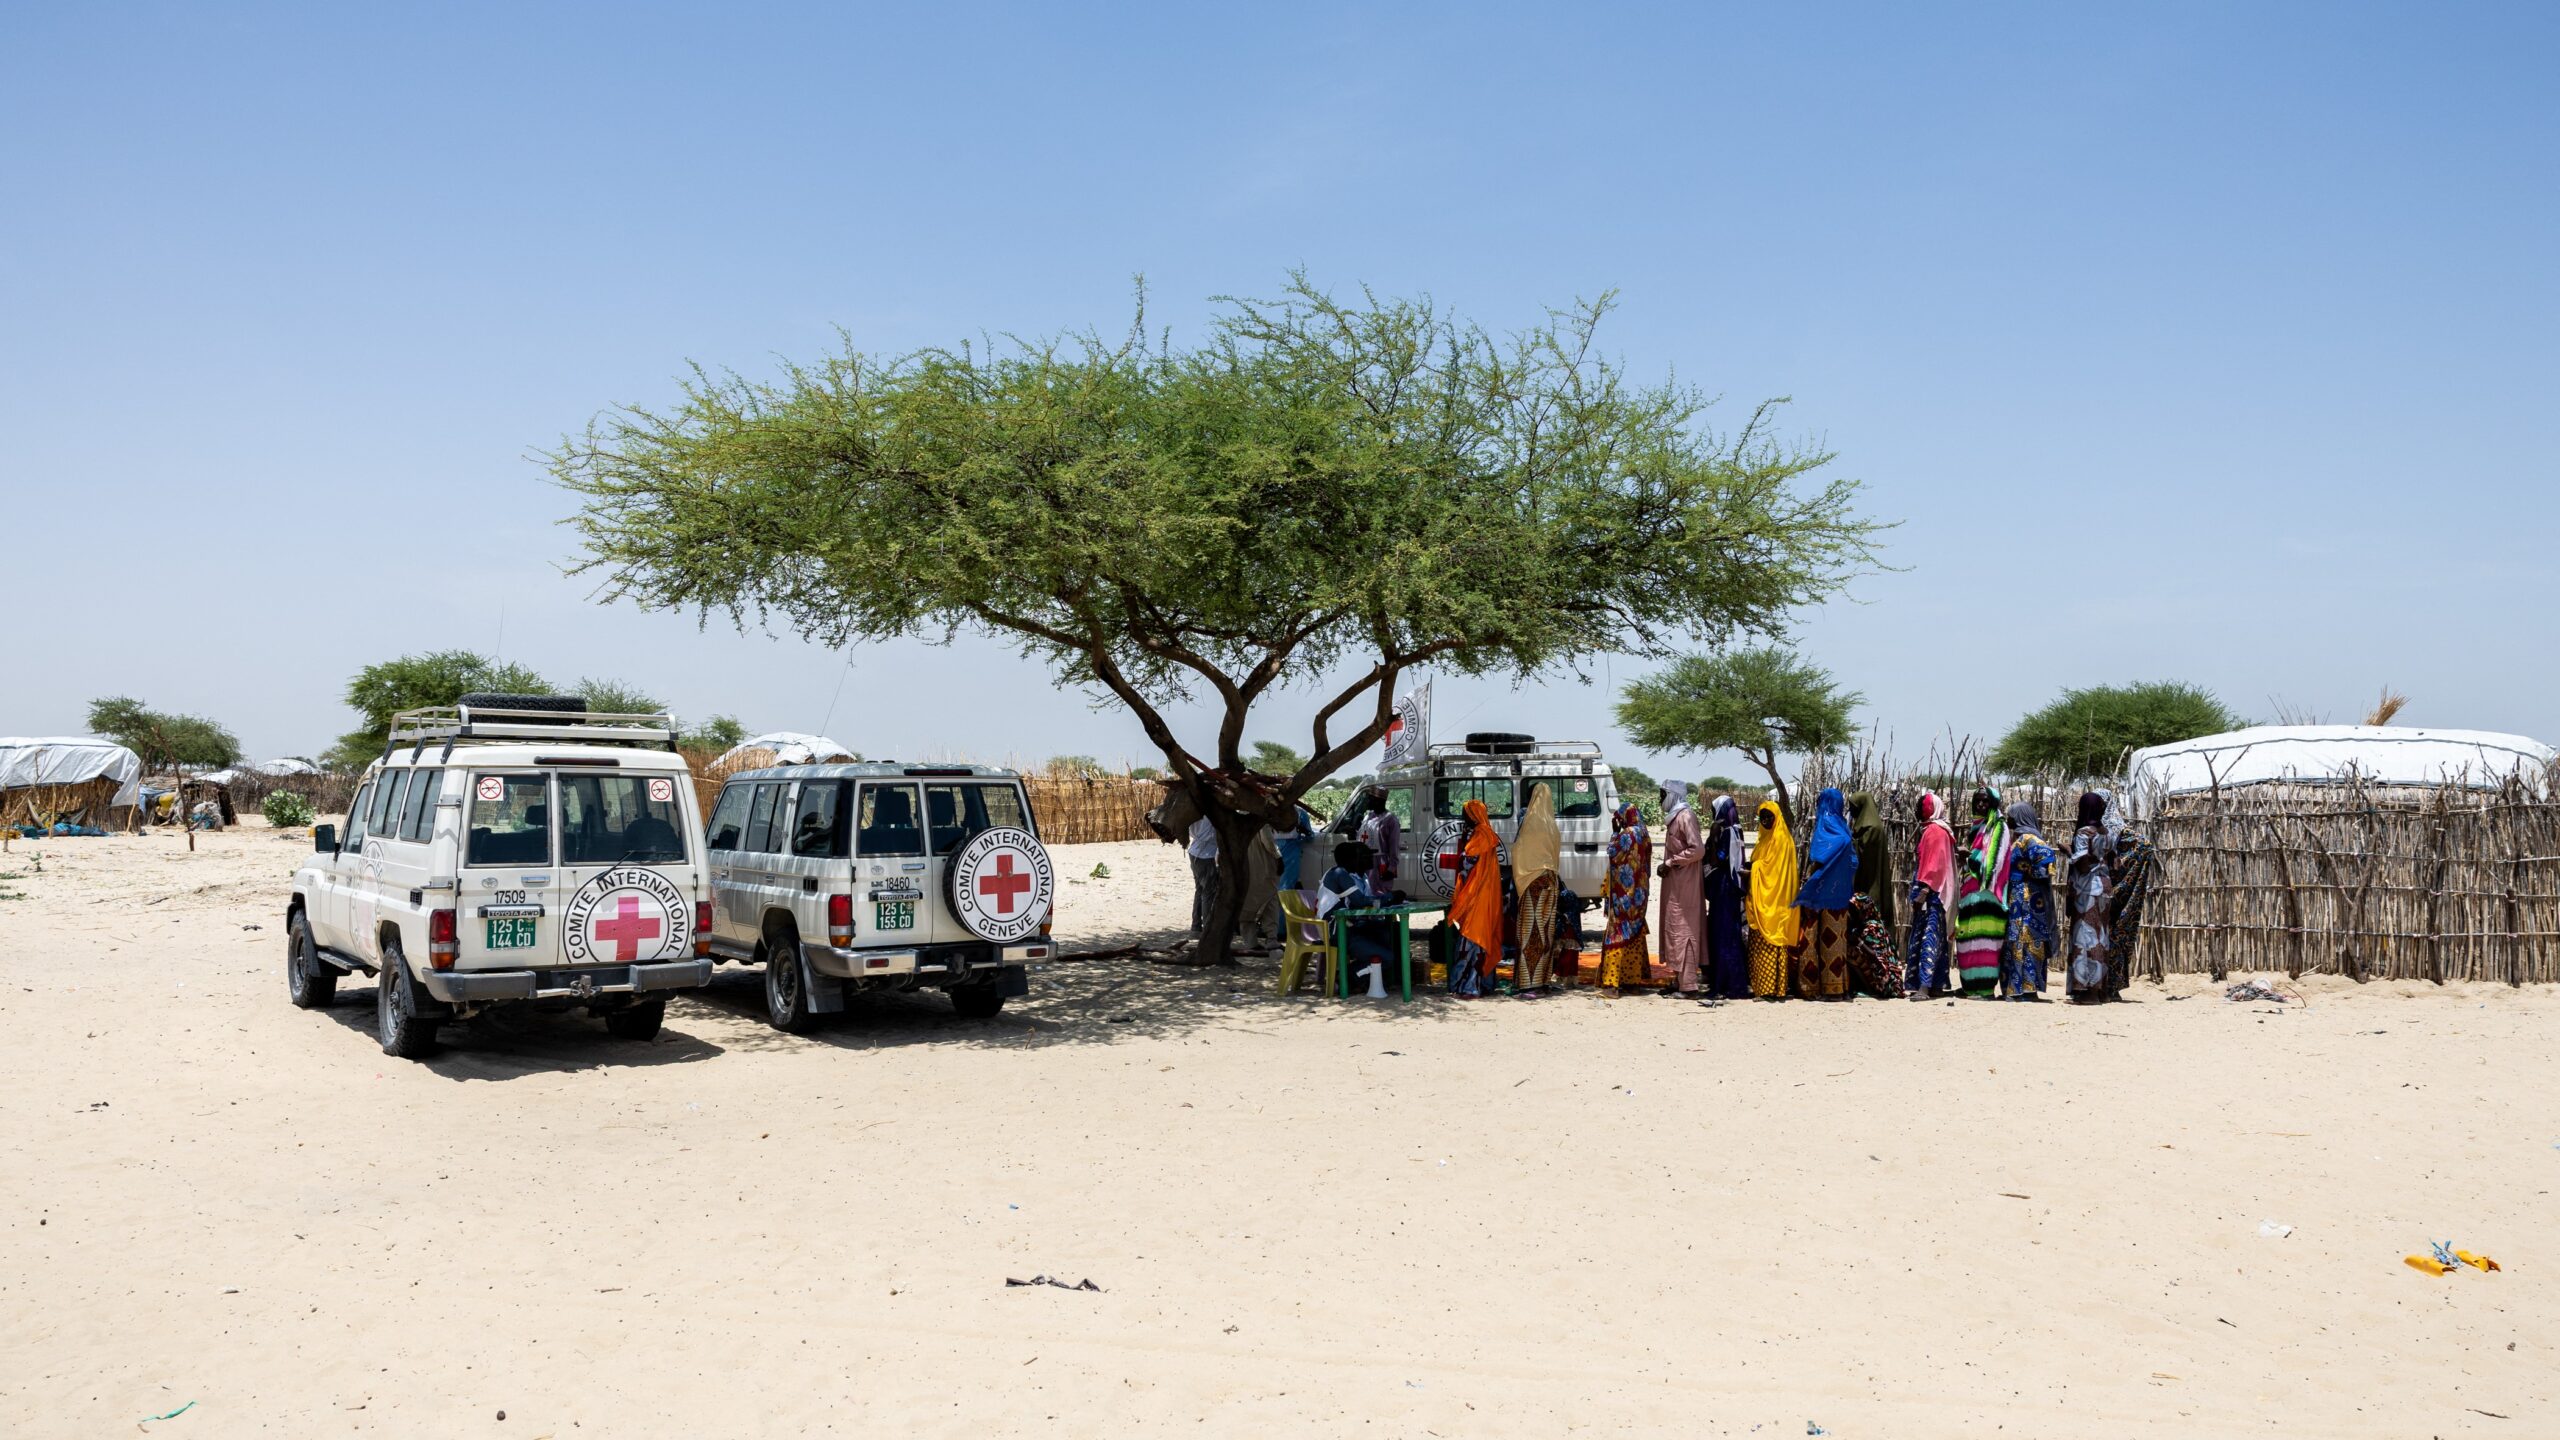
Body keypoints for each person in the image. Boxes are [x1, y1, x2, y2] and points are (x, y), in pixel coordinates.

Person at [1794, 788, 1857, 998]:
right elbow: (1854, 862)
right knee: (1837, 939)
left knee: (1811, 938)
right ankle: (1838, 987)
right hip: (1840, 893)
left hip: (1820, 892)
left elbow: (1818, 855)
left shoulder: (1825, 826)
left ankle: (1813, 988)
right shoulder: (1844, 828)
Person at [1953, 786, 2011, 996]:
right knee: (1968, 938)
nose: (1980, 804)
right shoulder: (1976, 827)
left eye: (1985, 801)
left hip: (1988, 894)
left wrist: (1969, 856)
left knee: (1985, 941)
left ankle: (1984, 988)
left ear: (1993, 804)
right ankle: (1970, 986)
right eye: (1977, 800)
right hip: (1971, 893)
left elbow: (1995, 862)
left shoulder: (1999, 827)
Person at [2000, 800, 2060, 999]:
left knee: (2022, 939)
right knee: (2026, 940)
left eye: (2011, 816)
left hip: (2026, 898)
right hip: (2027, 897)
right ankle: (2026, 989)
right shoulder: (2023, 838)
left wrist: (2030, 874)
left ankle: (2019, 990)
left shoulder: (2028, 838)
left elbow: (2046, 861)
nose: (2008, 819)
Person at [1316, 840, 1399, 983]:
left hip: (1347, 926)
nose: (1367, 860)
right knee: (1387, 958)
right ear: (1350, 859)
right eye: (1360, 857)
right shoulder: (1339, 873)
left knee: (1386, 930)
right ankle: (1346, 977)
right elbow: (1360, 901)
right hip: (1338, 931)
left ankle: (1384, 977)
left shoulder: (1349, 875)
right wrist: (1390, 897)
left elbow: (1363, 903)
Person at [1510, 782, 1565, 994]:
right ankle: (1542, 981)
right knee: (1545, 933)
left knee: (1529, 933)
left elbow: (1519, 849)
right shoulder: (1551, 824)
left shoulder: (1529, 821)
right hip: (1550, 880)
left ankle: (1528, 983)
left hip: (1531, 881)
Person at [2065, 790, 2120, 1002]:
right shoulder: (2108, 833)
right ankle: (2100, 989)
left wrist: (2067, 851)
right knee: (2100, 936)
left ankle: (2087, 990)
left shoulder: (2083, 833)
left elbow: (2083, 863)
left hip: (2087, 890)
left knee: (2085, 937)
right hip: (2105, 888)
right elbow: (2112, 860)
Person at [1446, 798, 1503, 997]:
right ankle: (1483, 985)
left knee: (1472, 940)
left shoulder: (1481, 835)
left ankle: (1469, 987)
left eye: (1464, 814)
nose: (1462, 818)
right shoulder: (1481, 834)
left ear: (1473, 815)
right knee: (1480, 938)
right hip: (1480, 895)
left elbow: (1467, 863)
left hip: (1479, 896)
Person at [1745, 799, 1802, 998]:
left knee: (1774, 941)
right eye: (1762, 817)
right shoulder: (1764, 839)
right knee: (1761, 944)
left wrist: (1753, 870)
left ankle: (1774, 988)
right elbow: (1760, 863)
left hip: (1776, 902)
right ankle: (1763, 987)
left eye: (1769, 817)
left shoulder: (1782, 840)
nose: (1766, 821)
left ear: (1777, 817)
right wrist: (1753, 866)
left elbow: (1772, 872)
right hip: (1763, 900)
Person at [1904, 791, 1959, 997]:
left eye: (1922, 807)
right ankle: (1936, 984)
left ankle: (1924, 986)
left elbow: (1935, 864)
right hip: (1934, 890)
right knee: (1937, 936)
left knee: (1929, 936)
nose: (1919, 810)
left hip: (1931, 892)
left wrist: (1924, 890)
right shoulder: (1938, 829)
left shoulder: (1935, 831)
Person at [1655, 781, 1705, 995]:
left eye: (1662, 795)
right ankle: (1677, 979)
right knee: (1673, 926)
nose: (1659, 800)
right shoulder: (1674, 818)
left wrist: (1671, 862)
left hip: (1686, 883)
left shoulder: (1686, 816)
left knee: (1685, 928)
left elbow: (1697, 850)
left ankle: (1689, 985)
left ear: (1672, 795)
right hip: (1675, 883)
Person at [1599, 801, 1651, 996]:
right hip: (1640, 893)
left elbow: (1612, 854)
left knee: (1619, 932)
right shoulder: (1645, 834)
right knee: (1634, 932)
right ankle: (1632, 981)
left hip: (1623, 894)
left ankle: (1612, 984)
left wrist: (1614, 832)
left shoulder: (1625, 835)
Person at [1702, 795, 1751, 998]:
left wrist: (1713, 837)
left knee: (1722, 935)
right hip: (1731, 889)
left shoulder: (1726, 833)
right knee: (1730, 934)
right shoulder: (1737, 829)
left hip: (1724, 888)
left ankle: (1723, 984)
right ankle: (1732, 981)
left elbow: (1719, 860)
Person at [1355, 784, 1402, 898]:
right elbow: (1364, 836)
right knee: (1365, 894)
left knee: (1381, 896)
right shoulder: (1368, 816)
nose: (1367, 801)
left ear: (1378, 801)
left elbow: (1393, 846)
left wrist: (1391, 869)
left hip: (1380, 864)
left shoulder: (1390, 820)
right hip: (1365, 864)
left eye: (1370, 799)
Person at [1187, 813, 1219, 936]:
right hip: (1205, 854)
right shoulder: (1209, 814)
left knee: (1200, 890)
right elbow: (1211, 834)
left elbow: (1192, 831)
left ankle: (1196, 926)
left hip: (1195, 850)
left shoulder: (1196, 811)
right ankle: (1207, 928)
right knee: (1208, 892)